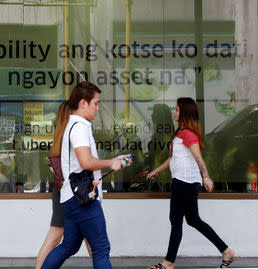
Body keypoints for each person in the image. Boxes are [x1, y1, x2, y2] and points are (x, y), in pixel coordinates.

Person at [41, 82, 131, 269]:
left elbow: (84, 162)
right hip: (83, 199)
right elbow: (86, 162)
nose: (98, 108)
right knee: (100, 248)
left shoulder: (73, 124)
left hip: (71, 197)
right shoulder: (80, 127)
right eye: (96, 103)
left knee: (68, 246)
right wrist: (111, 163)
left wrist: (114, 159)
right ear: (83, 103)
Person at [146, 97, 238, 269]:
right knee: (193, 220)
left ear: (184, 114)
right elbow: (173, 158)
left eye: (177, 110)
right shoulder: (181, 133)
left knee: (176, 220)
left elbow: (198, 157)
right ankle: (226, 251)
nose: (174, 112)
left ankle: (168, 262)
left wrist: (206, 176)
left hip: (185, 182)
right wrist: (157, 171)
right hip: (184, 181)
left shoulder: (188, 133)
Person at [35, 101, 92, 269]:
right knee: (90, 239)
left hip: (63, 190)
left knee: (57, 236)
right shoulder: (76, 132)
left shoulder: (62, 135)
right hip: (77, 191)